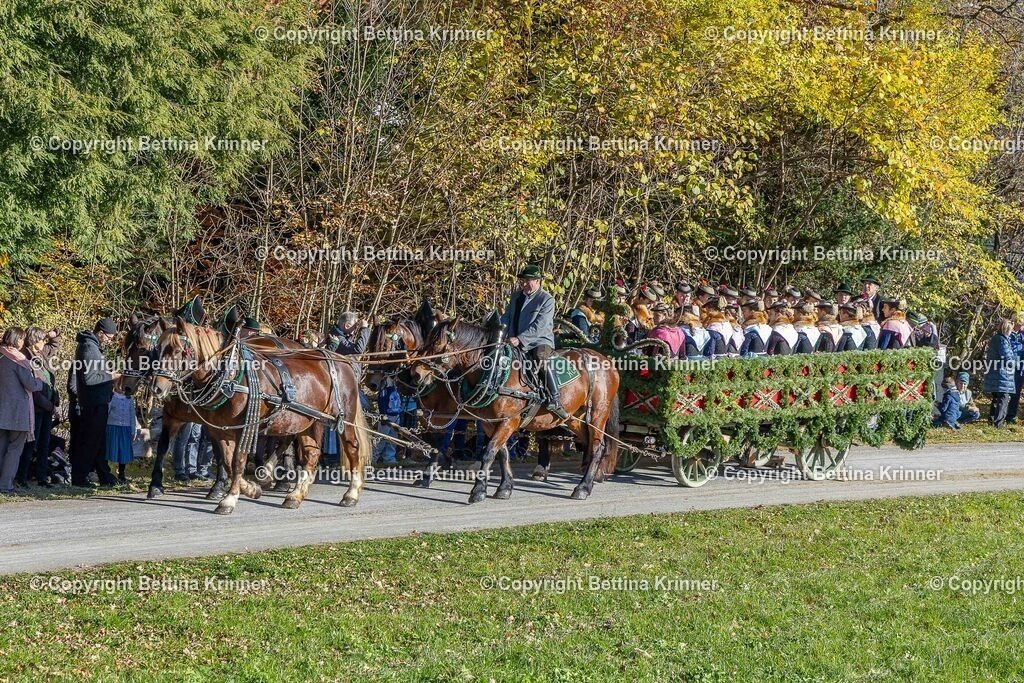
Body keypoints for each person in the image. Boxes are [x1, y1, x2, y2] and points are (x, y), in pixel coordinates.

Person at [500, 264, 568, 419]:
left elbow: (540, 326)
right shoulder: (516, 296)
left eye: (528, 281)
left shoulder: (546, 299)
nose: (524, 284)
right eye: (523, 280)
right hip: (512, 340)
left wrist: (520, 339)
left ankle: (555, 398)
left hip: (540, 341)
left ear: (538, 281)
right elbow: (507, 317)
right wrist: (499, 329)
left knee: (540, 357)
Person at [68, 317, 119, 487]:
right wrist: (111, 376)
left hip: (97, 401)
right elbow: (89, 378)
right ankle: (79, 478)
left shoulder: (93, 346)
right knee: (89, 443)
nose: (110, 342)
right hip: (93, 403)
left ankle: (104, 476)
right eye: (109, 338)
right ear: (101, 333)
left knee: (98, 442)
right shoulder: (89, 348)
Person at [0, 328, 43, 494]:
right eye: (22, 339)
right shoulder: (18, 360)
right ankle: (5, 485)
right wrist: (40, 383)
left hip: (2, 410)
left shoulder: (1, 356)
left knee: (1, 447)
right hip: (18, 412)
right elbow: (31, 385)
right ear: (17, 340)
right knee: (14, 450)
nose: (23, 342)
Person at [16, 328, 61, 488]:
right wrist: (49, 405)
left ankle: (42, 477)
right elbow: (33, 389)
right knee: (30, 444)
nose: (45, 342)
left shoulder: (42, 354)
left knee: (44, 443)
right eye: (42, 339)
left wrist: (52, 334)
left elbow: (55, 345)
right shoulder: (26, 356)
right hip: (36, 408)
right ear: (35, 341)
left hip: (47, 407)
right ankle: (22, 476)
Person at [983, 319, 1017, 428]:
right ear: (1007, 329)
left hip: (994, 373)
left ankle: (992, 419)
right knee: (1004, 398)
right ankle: (999, 423)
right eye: (1010, 330)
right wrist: (1016, 361)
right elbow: (1007, 358)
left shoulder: (995, 338)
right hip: (1002, 374)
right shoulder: (1002, 340)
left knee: (996, 398)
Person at [106, 381, 140, 484]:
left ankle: (121, 473)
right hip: (113, 426)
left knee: (123, 451)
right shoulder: (112, 397)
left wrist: (134, 429)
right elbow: (107, 411)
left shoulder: (129, 399)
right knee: (110, 449)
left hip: (125, 428)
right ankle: (106, 472)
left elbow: (132, 415)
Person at [374, 377, 403, 466]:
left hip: (396, 414)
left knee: (393, 438)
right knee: (381, 438)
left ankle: (389, 458)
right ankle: (373, 457)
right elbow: (381, 400)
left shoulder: (397, 385)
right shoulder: (384, 387)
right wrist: (382, 414)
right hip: (387, 415)